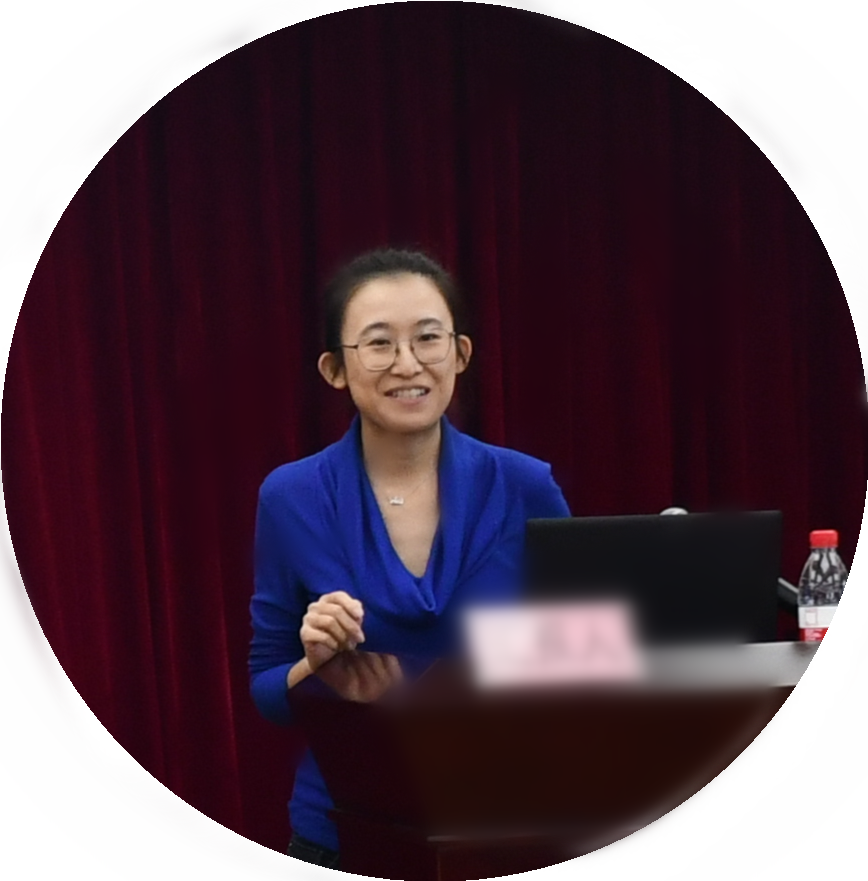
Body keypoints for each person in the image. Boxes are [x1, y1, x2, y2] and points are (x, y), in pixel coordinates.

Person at [248, 248, 571, 868]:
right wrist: (316, 669)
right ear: (334, 369)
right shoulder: (290, 497)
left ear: (461, 354)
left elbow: (587, 657)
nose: (408, 363)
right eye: (378, 343)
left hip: (507, 818)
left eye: (428, 338)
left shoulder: (526, 486)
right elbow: (267, 689)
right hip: (344, 827)